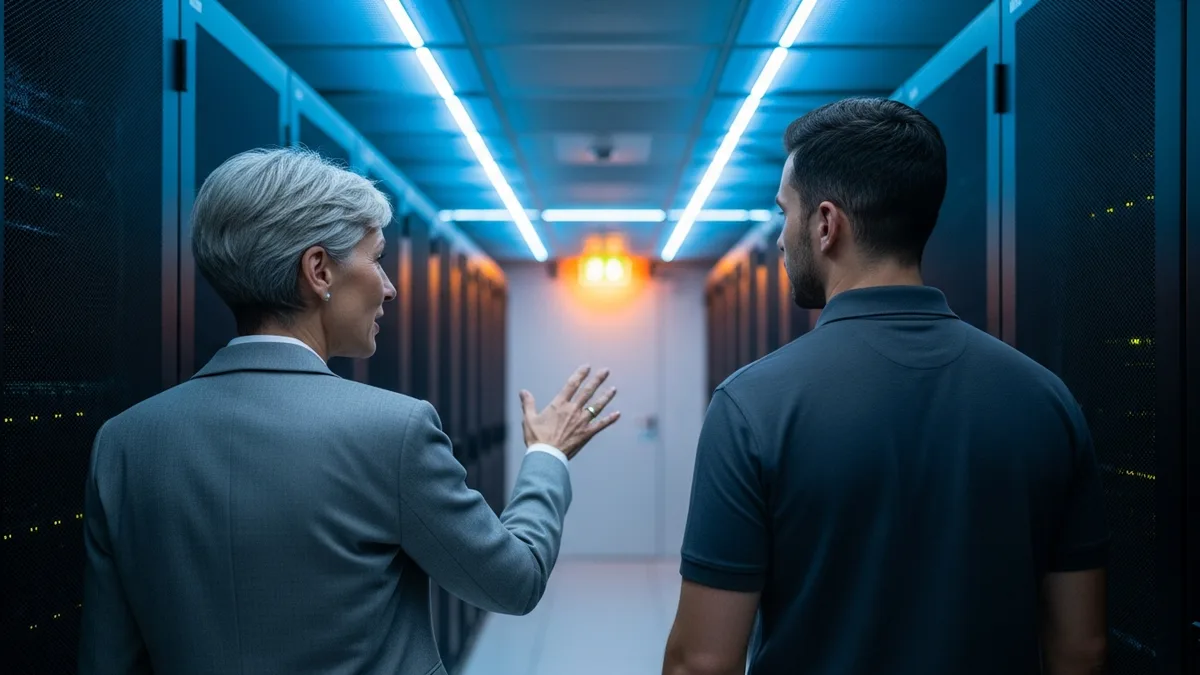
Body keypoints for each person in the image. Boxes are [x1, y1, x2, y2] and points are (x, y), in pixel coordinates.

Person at [78, 147, 621, 675]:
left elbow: (109, 658)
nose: (389, 289)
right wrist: (548, 454)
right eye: (378, 258)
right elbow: (513, 581)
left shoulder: (124, 442)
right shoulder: (391, 430)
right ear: (319, 270)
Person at [662, 98, 1109, 675]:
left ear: (826, 225)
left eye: (785, 214)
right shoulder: (1047, 400)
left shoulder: (753, 406)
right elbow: (1082, 649)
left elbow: (702, 661)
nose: (779, 238)